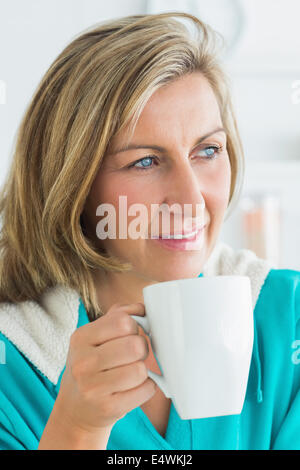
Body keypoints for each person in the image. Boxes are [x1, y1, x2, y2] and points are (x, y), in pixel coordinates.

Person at [0, 12, 299, 451]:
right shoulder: (13, 367)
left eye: (208, 150)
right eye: (145, 161)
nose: (191, 199)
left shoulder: (287, 319)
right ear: (75, 187)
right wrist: (77, 430)